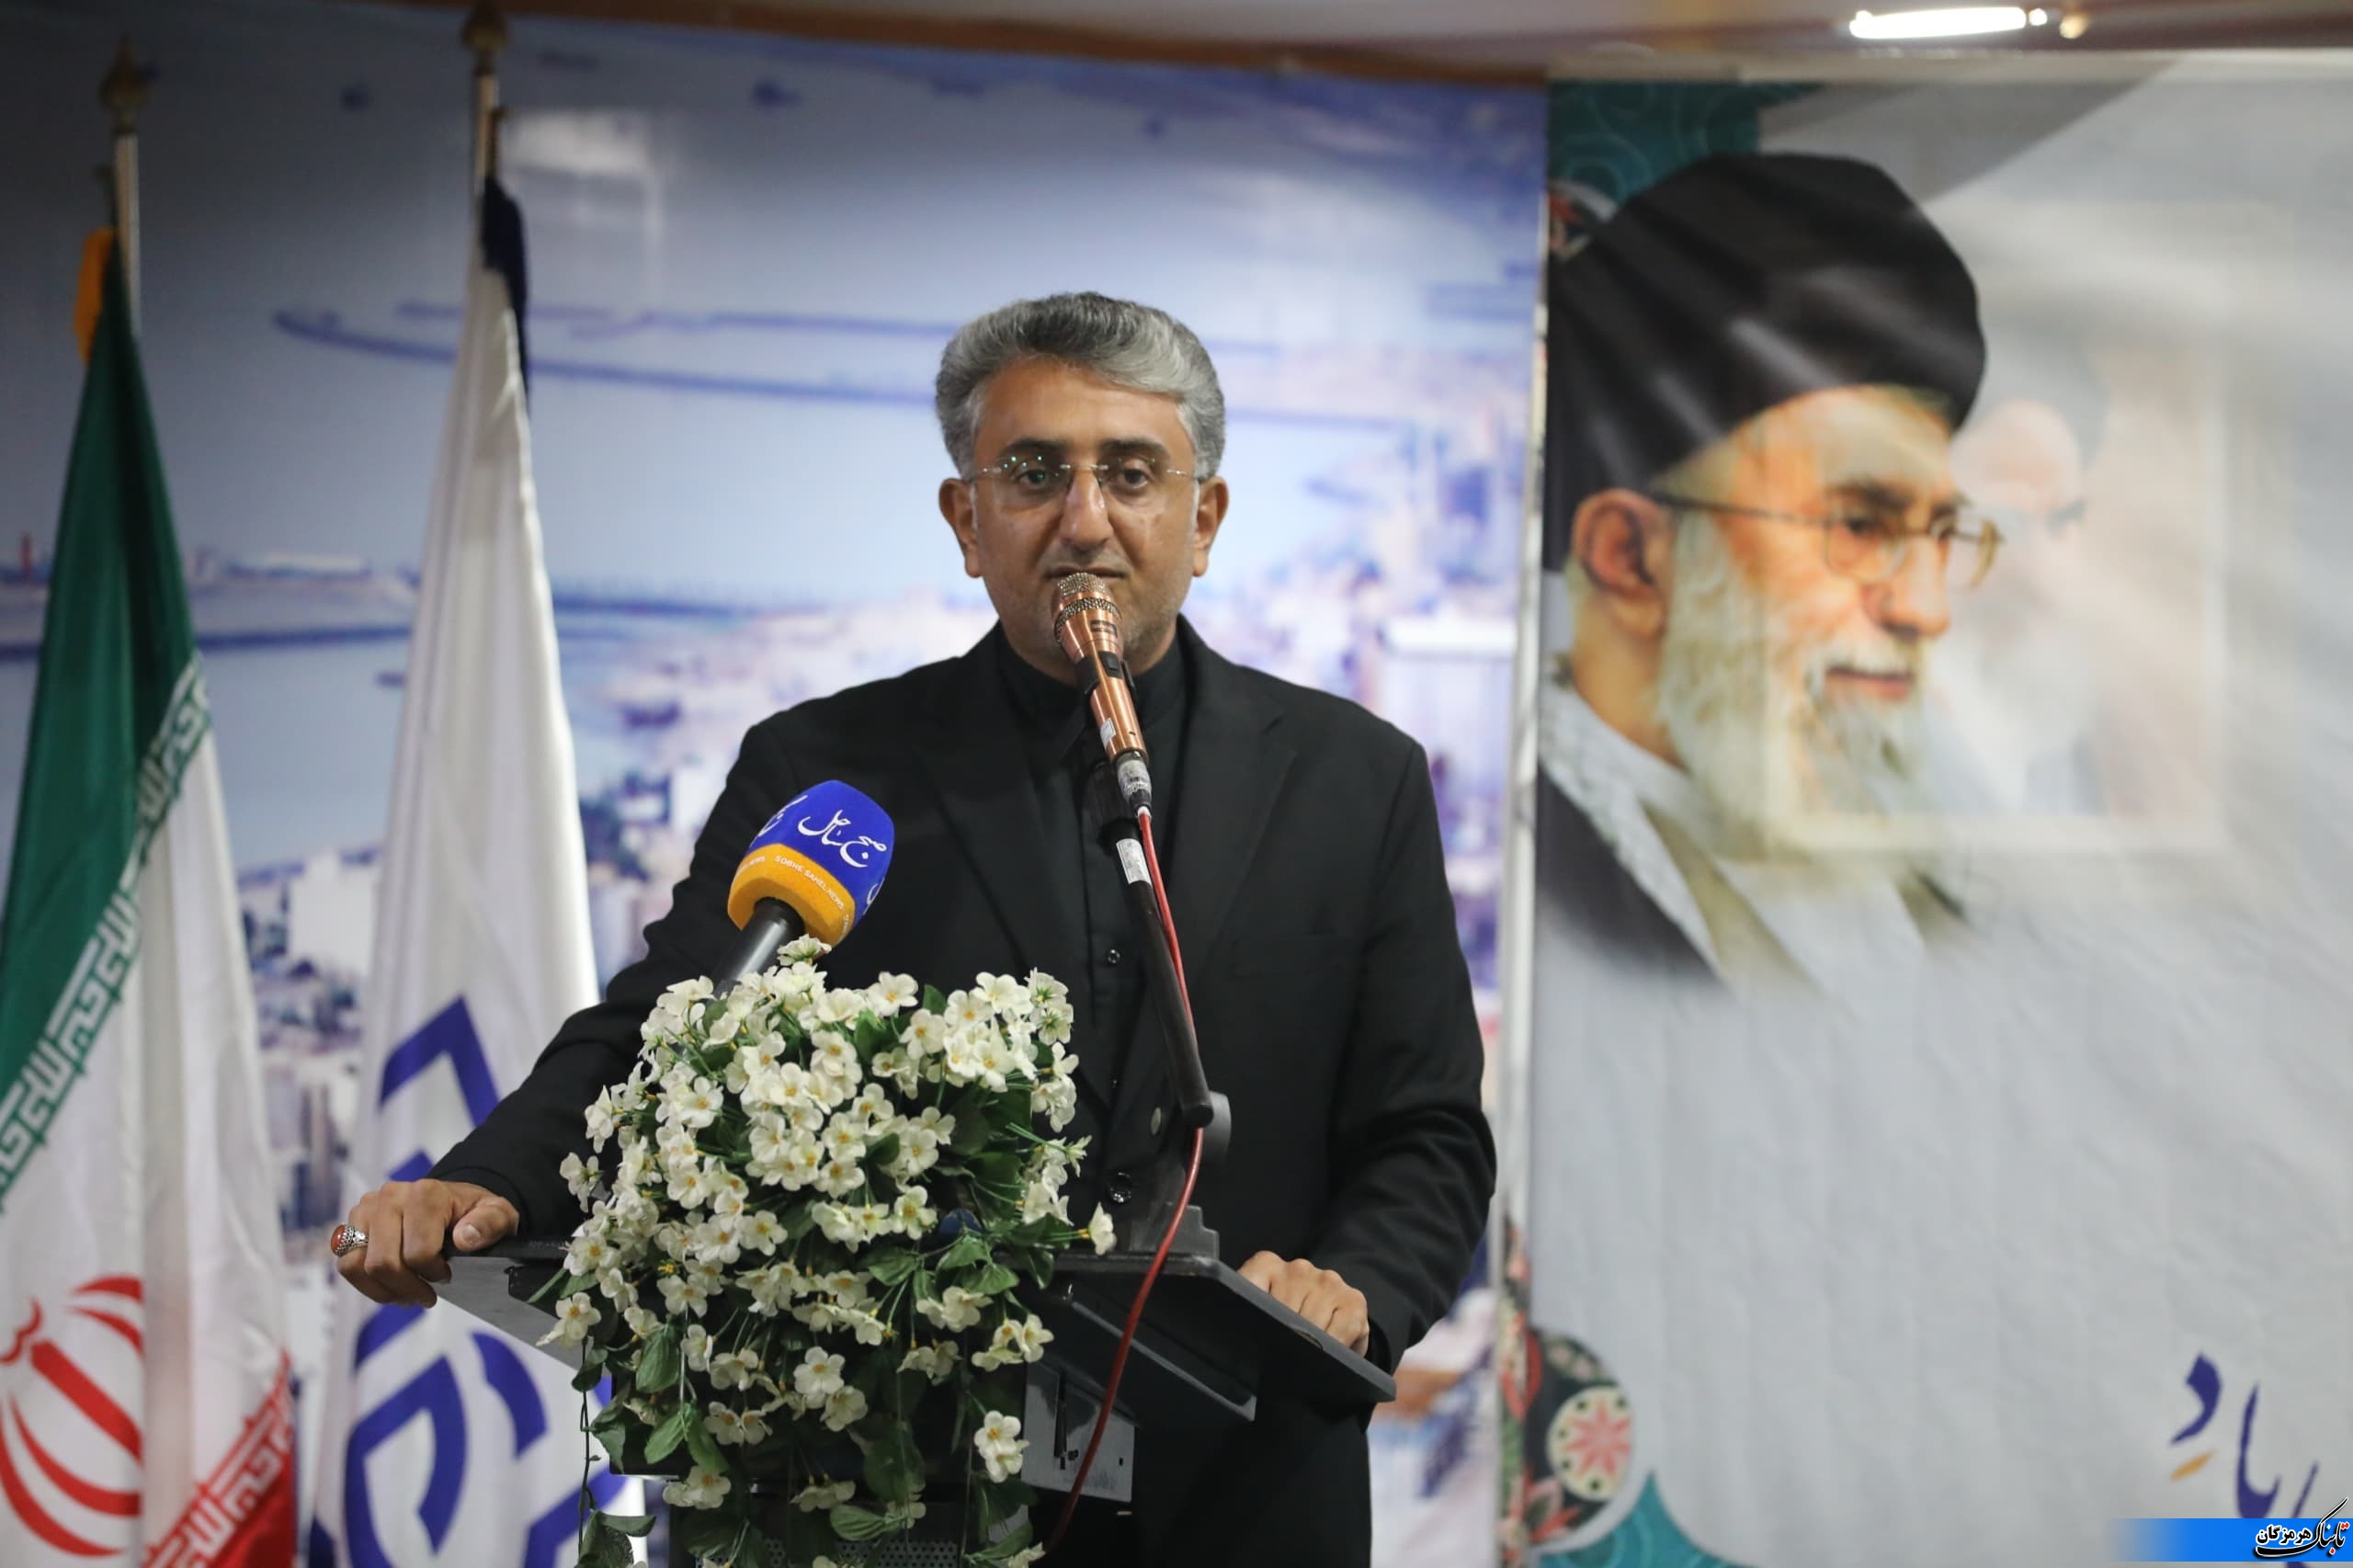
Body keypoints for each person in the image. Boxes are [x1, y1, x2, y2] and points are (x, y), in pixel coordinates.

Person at [330, 291, 1496, 1565]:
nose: (1085, 519)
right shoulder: (828, 770)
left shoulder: (1354, 779)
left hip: (1243, 1492)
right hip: (895, 1497)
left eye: (1131, 474)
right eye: (1034, 473)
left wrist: (1354, 1287)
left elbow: (1425, 1129)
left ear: (1203, 519)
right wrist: (491, 1180)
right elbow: (664, 1034)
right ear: (966, 520)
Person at [1537, 151, 1998, 996]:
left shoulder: (1924, 832)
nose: (1926, 609)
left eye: (1940, 533)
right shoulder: (1528, 876)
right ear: (1631, 559)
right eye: (1859, 525)